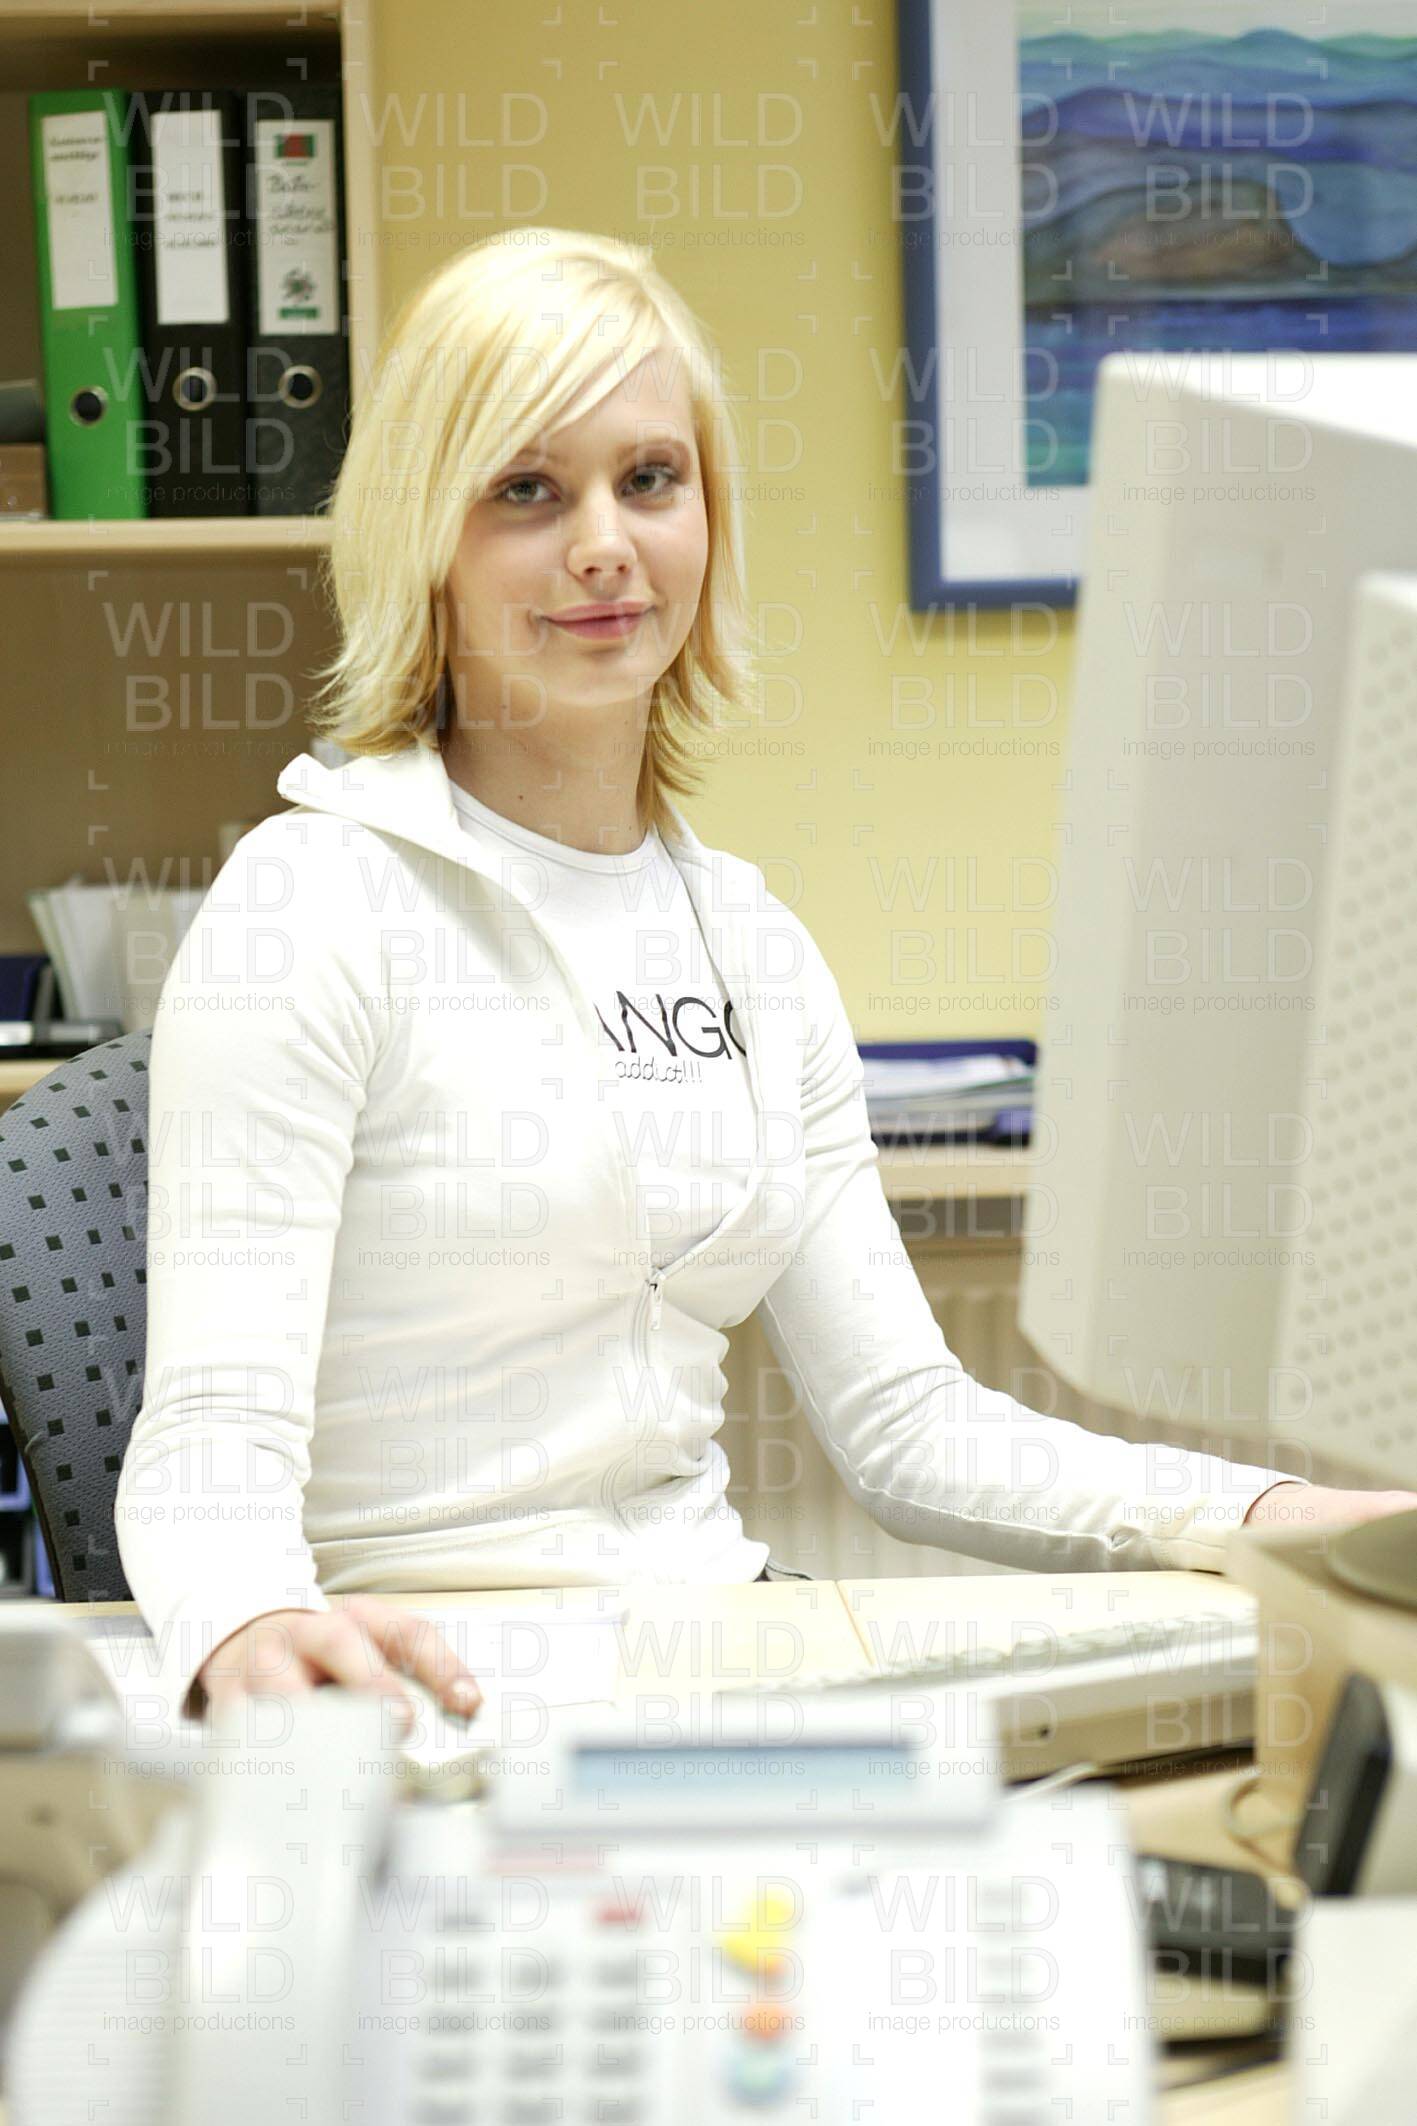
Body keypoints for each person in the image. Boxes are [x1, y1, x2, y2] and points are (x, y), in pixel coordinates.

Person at [113, 227, 1417, 1729]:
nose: (603, 543)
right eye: (526, 489)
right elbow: (209, 1433)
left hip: (710, 1664)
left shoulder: (748, 941)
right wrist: (249, 1614)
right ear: (427, 538)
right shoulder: (310, 902)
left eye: (649, 479)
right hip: (424, 1683)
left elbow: (909, 1424)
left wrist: (1261, 1513)